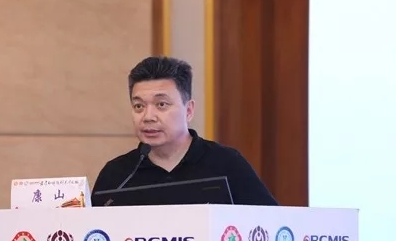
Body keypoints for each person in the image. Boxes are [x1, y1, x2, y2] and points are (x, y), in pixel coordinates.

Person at [92, 56, 278, 206]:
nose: (148, 116)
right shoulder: (117, 175)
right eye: (139, 106)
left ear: (188, 110)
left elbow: (270, 225)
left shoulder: (226, 163)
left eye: (161, 104)